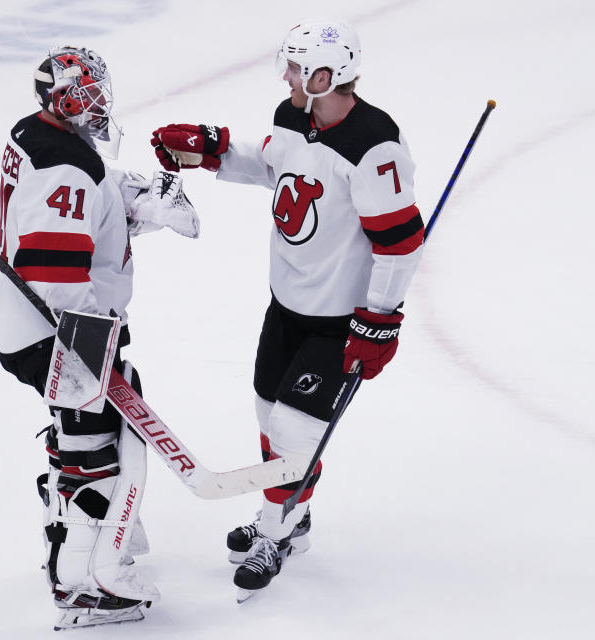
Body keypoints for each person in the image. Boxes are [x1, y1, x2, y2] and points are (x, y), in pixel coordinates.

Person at [150, 20, 424, 597]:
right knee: (266, 416)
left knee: (295, 431)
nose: (288, 77)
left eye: (299, 69)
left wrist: (380, 321)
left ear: (328, 77)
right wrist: (215, 151)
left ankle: (277, 531)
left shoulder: (374, 147)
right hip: (286, 304)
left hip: (338, 319)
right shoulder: (293, 116)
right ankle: (290, 515)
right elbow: (274, 162)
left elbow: (399, 245)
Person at [0, 45, 199, 629]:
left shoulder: (37, 134)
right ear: (71, 96)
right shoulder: (67, 166)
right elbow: (54, 272)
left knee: (82, 437)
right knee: (93, 450)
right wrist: (89, 350)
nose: (101, 102)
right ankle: (85, 585)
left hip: (34, 325)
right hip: (62, 332)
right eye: (93, 92)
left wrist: (125, 205)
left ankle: (79, 549)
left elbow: (79, 203)